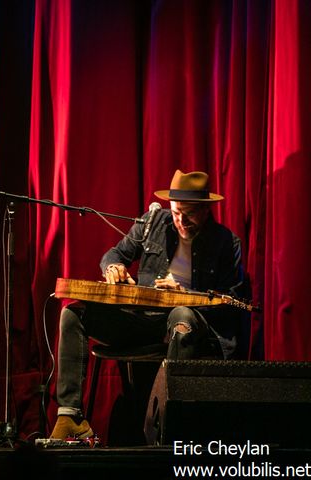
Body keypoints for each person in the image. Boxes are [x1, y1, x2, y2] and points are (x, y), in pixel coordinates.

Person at [50, 169, 244, 440]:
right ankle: (71, 417)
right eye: (176, 212)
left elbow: (231, 301)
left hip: (188, 327)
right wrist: (113, 266)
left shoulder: (226, 242)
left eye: (190, 213)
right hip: (144, 321)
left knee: (182, 314)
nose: (181, 221)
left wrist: (184, 293)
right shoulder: (153, 222)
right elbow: (114, 253)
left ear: (206, 209)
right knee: (73, 313)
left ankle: (169, 424)